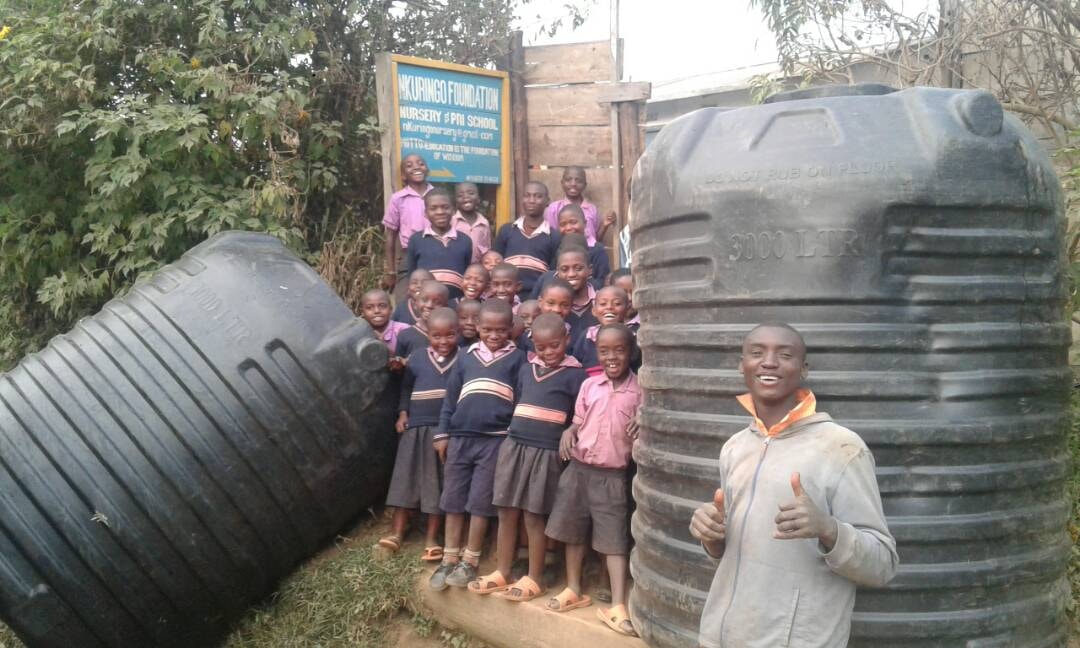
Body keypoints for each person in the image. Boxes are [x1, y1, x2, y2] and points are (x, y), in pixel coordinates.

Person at [690, 323, 898, 648]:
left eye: (785, 355)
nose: (769, 362)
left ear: (803, 369)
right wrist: (712, 538)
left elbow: (882, 565)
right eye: (757, 353)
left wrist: (829, 530)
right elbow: (736, 558)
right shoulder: (735, 447)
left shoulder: (841, 448)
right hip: (720, 637)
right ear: (742, 365)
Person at [467, 313, 586, 601]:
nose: (548, 352)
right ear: (533, 345)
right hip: (515, 446)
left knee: (533, 516)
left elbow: (579, 415)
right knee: (506, 511)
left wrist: (570, 431)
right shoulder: (525, 368)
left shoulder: (576, 375)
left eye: (555, 345)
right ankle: (502, 571)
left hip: (545, 452)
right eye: (541, 347)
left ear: (567, 340)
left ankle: (535, 578)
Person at [546, 324, 642, 637]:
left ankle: (618, 604)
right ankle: (573, 588)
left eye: (619, 350)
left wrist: (643, 418)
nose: (611, 357)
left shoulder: (640, 391)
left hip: (612, 475)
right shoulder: (589, 385)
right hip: (579, 469)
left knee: (614, 541)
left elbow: (645, 426)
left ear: (631, 352)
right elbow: (578, 422)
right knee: (573, 531)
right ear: (597, 353)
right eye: (604, 351)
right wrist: (569, 431)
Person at [430, 300, 526, 591]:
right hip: (460, 438)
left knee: (481, 502)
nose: (494, 335)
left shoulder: (519, 359)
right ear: (477, 327)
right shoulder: (465, 356)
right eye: (487, 329)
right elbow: (450, 399)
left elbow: (520, 402)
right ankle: (449, 557)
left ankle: (470, 561)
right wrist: (442, 434)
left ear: (511, 329)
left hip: (495, 441)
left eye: (501, 330)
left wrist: (511, 439)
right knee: (453, 498)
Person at [378, 307, 459, 560]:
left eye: (449, 335)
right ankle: (396, 533)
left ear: (458, 333)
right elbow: (406, 388)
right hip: (416, 426)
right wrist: (403, 413)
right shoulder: (417, 357)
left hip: (443, 430)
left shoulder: (464, 359)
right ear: (427, 334)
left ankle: (432, 538)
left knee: (437, 482)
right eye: (436, 336)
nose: (443, 341)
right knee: (406, 478)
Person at [495, 181, 560, 300]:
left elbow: (552, 274)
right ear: (522, 199)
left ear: (547, 201)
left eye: (538, 196)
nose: (531, 200)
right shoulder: (507, 230)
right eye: (527, 195)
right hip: (505, 296)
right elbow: (495, 264)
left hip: (537, 298)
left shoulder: (554, 236)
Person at [407, 188, 473, 300]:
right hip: (426, 303)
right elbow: (411, 274)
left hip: (455, 302)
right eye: (433, 208)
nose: (440, 212)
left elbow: (466, 272)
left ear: (454, 210)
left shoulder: (465, 241)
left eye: (445, 207)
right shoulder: (416, 240)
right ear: (426, 213)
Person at [382, 154, 433, 300]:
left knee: (434, 298)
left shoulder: (437, 195)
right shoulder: (398, 199)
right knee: (404, 301)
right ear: (403, 175)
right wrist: (391, 271)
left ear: (427, 170)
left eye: (420, 163)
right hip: (409, 257)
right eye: (409, 166)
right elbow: (390, 236)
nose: (416, 167)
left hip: (436, 253)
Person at [542, 166, 616, 245]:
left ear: (585, 185)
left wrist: (604, 225)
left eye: (579, 181)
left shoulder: (591, 209)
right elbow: (552, 238)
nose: (573, 184)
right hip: (564, 251)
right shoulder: (554, 208)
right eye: (568, 180)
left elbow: (595, 239)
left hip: (589, 251)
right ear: (562, 183)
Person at [570, 286, 629, 376]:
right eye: (603, 304)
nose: (609, 307)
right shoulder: (587, 336)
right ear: (594, 311)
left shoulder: (631, 336)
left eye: (617, 304)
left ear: (627, 309)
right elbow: (577, 363)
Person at [556, 205, 610, 287]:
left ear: (585, 223)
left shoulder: (597, 249)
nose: (568, 228)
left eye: (573, 222)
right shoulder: (557, 248)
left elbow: (602, 280)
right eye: (563, 224)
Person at [396, 280, 450, 360]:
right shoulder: (405, 335)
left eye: (437, 302)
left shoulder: (451, 337)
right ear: (416, 303)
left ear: (445, 307)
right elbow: (398, 364)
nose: (429, 305)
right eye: (424, 300)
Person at [360, 288, 409, 355]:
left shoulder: (403, 330)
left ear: (391, 309)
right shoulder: (359, 334)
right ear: (362, 312)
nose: (377, 311)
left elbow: (412, 358)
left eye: (382, 306)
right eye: (369, 307)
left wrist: (383, 347)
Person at [452, 182, 491, 264]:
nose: (466, 196)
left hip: (477, 266)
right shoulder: (452, 221)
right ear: (456, 201)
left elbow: (486, 247)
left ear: (478, 199)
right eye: (460, 195)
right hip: (456, 265)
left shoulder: (484, 223)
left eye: (471, 193)